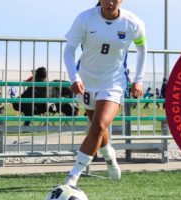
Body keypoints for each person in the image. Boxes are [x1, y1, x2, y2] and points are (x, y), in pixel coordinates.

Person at [63, 0, 147, 186]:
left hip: (113, 82)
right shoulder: (85, 18)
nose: (110, 2)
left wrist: (138, 80)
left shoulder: (133, 23)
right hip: (86, 81)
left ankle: (72, 177)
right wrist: (74, 78)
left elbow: (142, 48)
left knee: (99, 125)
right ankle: (110, 157)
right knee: (97, 125)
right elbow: (69, 50)